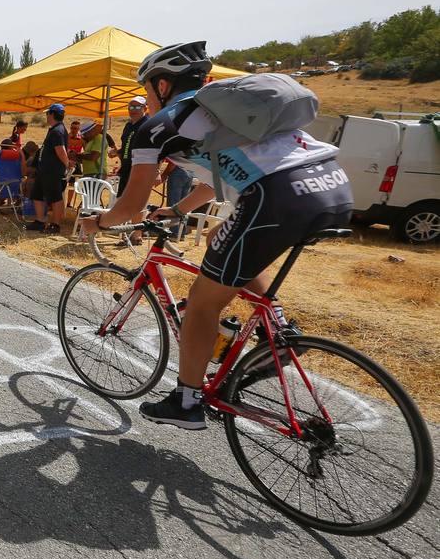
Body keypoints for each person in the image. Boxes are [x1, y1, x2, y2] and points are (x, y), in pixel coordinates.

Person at [81, 41, 351, 429]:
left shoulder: (156, 127)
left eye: (145, 90)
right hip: (330, 183)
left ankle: (187, 401)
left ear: (161, 86)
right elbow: (218, 180)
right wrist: (177, 210)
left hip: (276, 195)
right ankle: (279, 327)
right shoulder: (226, 113)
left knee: (203, 305)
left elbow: (130, 208)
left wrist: (98, 222)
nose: (145, 98)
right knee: (217, 234)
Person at [27, 103, 69, 232]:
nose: (46, 116)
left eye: (47, 113)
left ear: (52, 114)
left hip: (52, 171)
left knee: (55, 197)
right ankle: (40, 221)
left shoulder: (58, 131)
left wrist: (67, 164)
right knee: (37, 195)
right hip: (44, 170)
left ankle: (55, 225)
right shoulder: (54, 129)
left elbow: (60, 150)